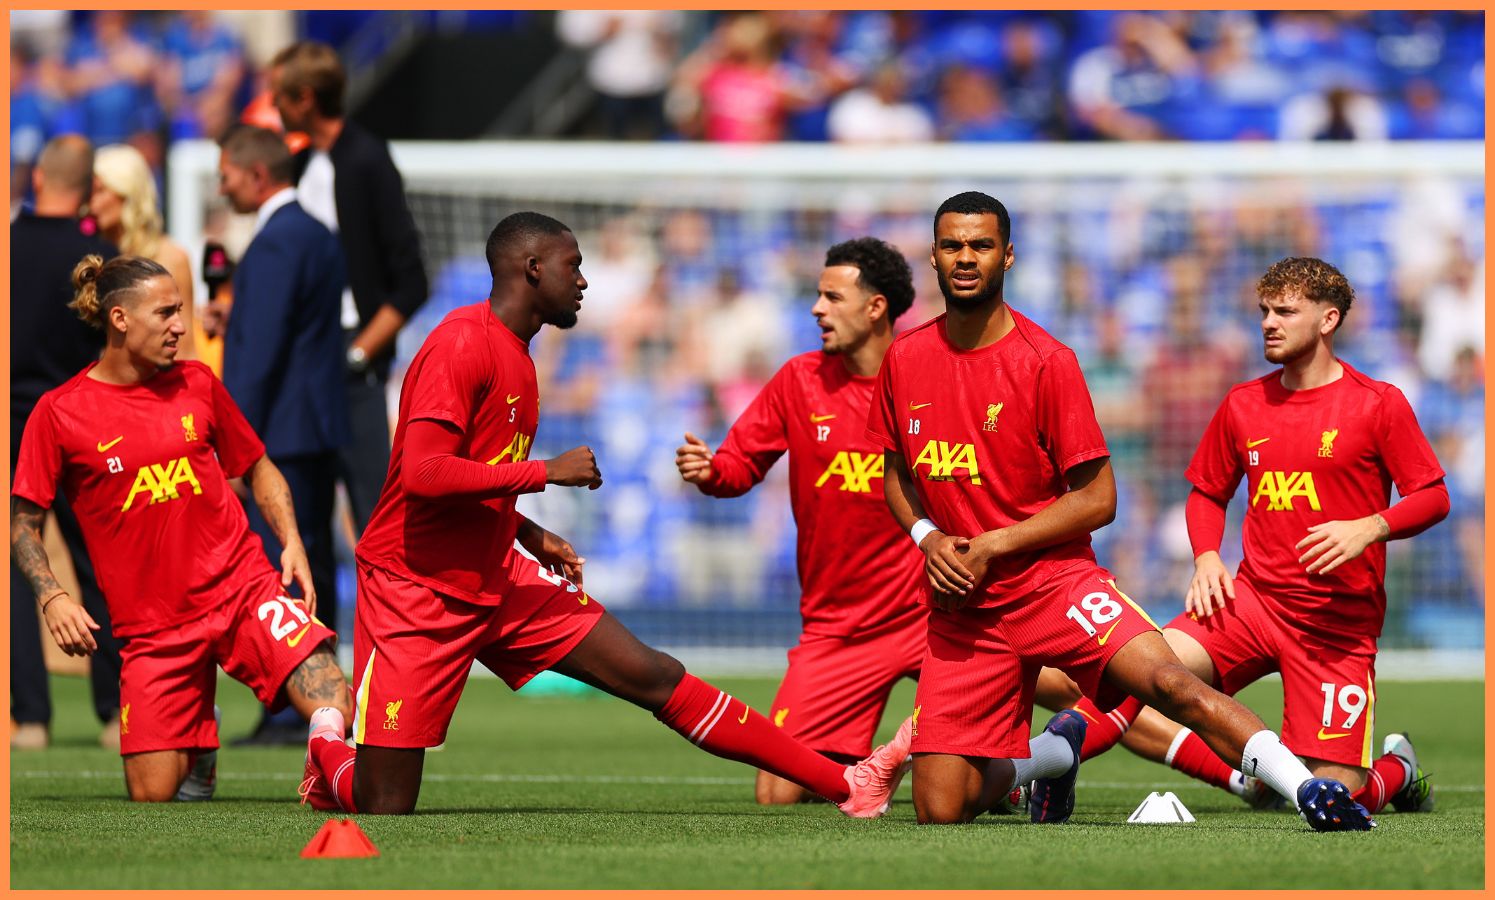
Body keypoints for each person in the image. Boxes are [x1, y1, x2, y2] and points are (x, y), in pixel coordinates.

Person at [298, 212, 909, 817]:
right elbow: (422, 474)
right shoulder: (460, 343)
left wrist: (528, 532)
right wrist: (546, 474)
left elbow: (472, 475)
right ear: (533, 269)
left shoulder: (519, 353)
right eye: (574, 266)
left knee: (652, 673)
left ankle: (848, 786)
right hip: (417, 589)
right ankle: (327, 741)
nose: (584, 281)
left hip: (498, 573)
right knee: (385, 801)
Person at [867, 191, 1371, 830]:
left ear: (1008, 256)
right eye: (952, 246)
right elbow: (896, 476)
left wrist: (995, 543)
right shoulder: (906, 359)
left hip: (1054, 584)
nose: (966, 258)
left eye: (981, 245)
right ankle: (1052, 762)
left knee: (1169, 684)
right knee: (943, 809)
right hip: (966, 608)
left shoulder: (1046, 362)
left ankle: (1307, 793)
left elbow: (1100, 499)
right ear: (934, 258)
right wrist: (926, 535)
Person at [1078, 257, 1447, 818]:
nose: (1269, 323)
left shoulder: (1378, 404)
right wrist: (1206, 557)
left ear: (1328, 320)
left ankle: (1398, 769)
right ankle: (1037, 770)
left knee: (1330, 794)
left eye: (1285, 311)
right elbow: (1207, 492)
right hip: (1250, 601)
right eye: (1264, 312)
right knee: (1143, 669)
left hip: (1335, 623)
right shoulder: (1243, 403)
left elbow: (1433, 496)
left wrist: (1371, 526)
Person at [10, 254, 353, 802]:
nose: (180, 326)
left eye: (181, 312)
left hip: (241, 588)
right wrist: (52, 596)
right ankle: (202, 744)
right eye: (166, 313)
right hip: (153, 628)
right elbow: (22, 523)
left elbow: (257, 466)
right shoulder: (59, 413)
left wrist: (290, 539)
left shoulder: (198, 383)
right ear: (119, 318)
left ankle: (334, 775)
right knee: (154, 796)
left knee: (333, 690)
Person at [675, 237, 926, 804]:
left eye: (831, 296)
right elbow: (739, 465)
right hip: (838, 626)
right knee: (776, 794)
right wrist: (711, 470)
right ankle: (879, 762)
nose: (816, 308)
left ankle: (1046, 757)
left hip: (932, 613)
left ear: (875, 307)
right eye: (817, 295)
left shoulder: (928, 377)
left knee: (1074, 677)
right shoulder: (800, 380)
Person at [217, 123, 351, 744]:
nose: (222, 187)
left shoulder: (273, 243)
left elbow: (260, 352)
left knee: (279, 567)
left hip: (277, 433)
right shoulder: (319, 233)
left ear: (256, 174)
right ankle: (331, 701)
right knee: (315, 561)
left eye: (227, 176)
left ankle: (287, 709)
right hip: (320, 425)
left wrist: (232, 442)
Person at [269, 40, 429, 535]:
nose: (273, 107)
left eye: (279, 96)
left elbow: (411, 281)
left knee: (376, 518)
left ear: (305, 99)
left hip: (353, 363)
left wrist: (358, 355)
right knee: (305, 515)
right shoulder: (299, 167)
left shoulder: (366, 160)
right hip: (304, 359)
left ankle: (390, 616)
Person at [10, 134, 122, 751]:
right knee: (98, 565)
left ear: (37, 180)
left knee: (18, 564)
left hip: (13, 422)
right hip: (85, 422)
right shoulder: (100, 258)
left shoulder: (8, 245)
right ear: (86, 185)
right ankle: (115, 711)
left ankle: (29, 718)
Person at [91, 143, 198, 361]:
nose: (90, 204)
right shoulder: (90, 258)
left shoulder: (171, 257)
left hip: (158, 389)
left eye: (100, 191)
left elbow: (186, 350)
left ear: (128, 193)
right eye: (89, 192)